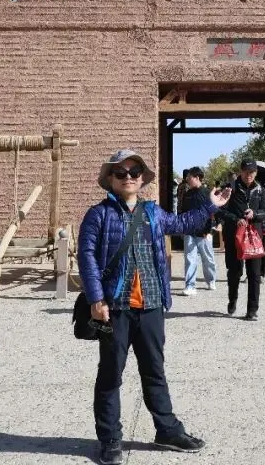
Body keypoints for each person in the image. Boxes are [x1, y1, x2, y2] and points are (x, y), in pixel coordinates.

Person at [77, 149, 232, 465]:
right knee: (110, 374)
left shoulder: (152, 212)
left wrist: (210, 205)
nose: (128, 177)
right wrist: (96, 298)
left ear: (141, 179)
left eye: (134, 172)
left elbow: (183, 222)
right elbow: (87, 258)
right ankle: (110, 439)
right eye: (121, 173)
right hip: (115, 308)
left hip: (150, 305)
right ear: (110, 179)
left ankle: (167, 431)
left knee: (154, 371)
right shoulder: (98, 215)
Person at [220, 159, 265, 321]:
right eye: (246, 171)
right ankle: (232, 299)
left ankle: (252, 310)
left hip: (254, 236)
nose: (249, 175)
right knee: (235, 272)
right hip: (234, 235)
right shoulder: (230, 188)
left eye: (252, 172)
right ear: (241, 172)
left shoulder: (260, 189)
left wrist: (255, 214)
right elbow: (221, 211)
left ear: (256, 172)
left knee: (254, 274)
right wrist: (236, 219)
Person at [179, 167, 216, 295]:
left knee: (208, 259)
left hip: (204, 232)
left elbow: (213, 213)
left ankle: (211, 280)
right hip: (190, 231)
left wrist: (209, 230)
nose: (187, 180)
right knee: (190, 259)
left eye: (189, 177)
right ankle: (190, 286)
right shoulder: (187, 194)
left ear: (197, 178)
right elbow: (183, 212)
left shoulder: (207, 193)